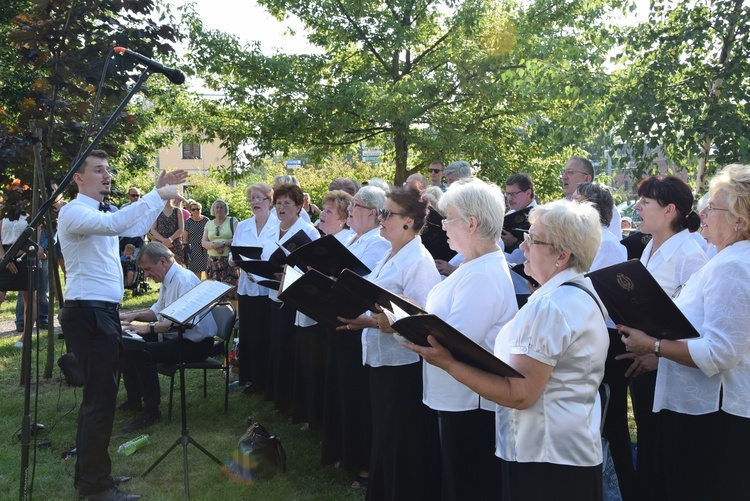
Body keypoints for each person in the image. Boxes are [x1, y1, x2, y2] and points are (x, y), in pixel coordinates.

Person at [409, 199, 608, 501]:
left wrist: (449, 363)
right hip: (568, 449)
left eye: (533, 240)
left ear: (562, 255)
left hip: (545, 456)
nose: (523, 248)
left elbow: (520, 394)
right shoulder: (579, 292)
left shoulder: (551, 306)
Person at [57, 149, 187, 501]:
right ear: (79, 179)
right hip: (89, 313)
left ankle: (92, 477)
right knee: (100, 402)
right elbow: (117, 225)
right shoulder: (73, 212)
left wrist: (156, 195)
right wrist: (157, 195)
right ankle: (96, 488)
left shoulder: (99, 211)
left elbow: (129, 225)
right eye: (98, 170)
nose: (107, 175)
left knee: (97, 400)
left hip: (99, 312)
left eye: (108, 170)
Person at [620, 164, 750, 501]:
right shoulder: (730, 259)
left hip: (711, 415)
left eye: (714, 206)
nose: (703, 212)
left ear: (739, 218)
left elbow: (720, 352)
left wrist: (655, 346)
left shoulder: (734, 265)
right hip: (702, 409)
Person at [337, 187, 442, 501]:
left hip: (403, 366)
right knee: (385, 437)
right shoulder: (389, 251)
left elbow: (422, 320)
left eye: (387, 214)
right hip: (381, 359)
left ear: (408, 221)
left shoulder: (419, 261)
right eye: (380, 212)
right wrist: (364, 317)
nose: (380, 219)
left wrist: (376, 322)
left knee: (402, 440)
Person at [419, 178, 518, 500]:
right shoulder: (472, 266)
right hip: (459, 396)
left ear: (472, 223)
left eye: (449, 218)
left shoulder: (483, 273)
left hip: (472, 401)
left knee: (469, 484)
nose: (443, 226)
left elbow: (456, 340)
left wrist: (402, 324)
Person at [616, 175, 707, 500]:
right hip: (644, 364)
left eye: (645, 202)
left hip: (669, 368)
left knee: (665, 454)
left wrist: (658, 355)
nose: (637, 207)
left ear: (670, 210)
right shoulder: (649, 247)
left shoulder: (691, 255)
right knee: (650, 448)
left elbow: (699, 325)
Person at [322, 186, 391, 487]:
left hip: (359, 324)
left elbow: (364, 284)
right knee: (343, 392)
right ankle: (346, 452)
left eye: (357, 206)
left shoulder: (376, 242)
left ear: (373, 213)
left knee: (356, 396)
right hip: (341, 319)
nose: (350, 210)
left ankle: (363, 464)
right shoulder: (352, 237)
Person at [118, 243, 217, 431]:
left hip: (196, 345)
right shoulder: (168, 278)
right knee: (129, 345)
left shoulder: (184, 280)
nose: (146, 275)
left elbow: (185, 322)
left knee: (143, 353)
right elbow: (158, 310)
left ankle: (151, 412)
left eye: (147, 269)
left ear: (163, 261)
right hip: (177, 337)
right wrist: (132, 316)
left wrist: (149, 328)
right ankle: (134, 400)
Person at [574, 182, 631, 499]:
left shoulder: (608, 244)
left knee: (611, 422)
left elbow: (599, 293)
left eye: (578, 203)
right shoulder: (590, 241)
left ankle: (621, 487)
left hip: (607, 336)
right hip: (591, 334)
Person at [230, 183, 277, 392]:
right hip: (247, 287)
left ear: (270, 201)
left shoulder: (278, 225)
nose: (255, 202)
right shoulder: (243, 225)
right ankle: (251, 379)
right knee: (249, 334)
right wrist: (236, 261)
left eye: (260, 198)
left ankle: (268, 380)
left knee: (266, 334)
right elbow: (233, 253)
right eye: (252, 199)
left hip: (268, 289)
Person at [562, 156, 622, 240]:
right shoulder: (557, 207)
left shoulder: (605, 208)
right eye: (563, 172)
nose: (564, 177)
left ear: (587, 178)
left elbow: (608, 246)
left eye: (570, 172)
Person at [202, 199, 238, 301]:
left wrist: (222, 243)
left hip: (229, 261)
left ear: (226, 209)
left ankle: (233, 314)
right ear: (213, 210)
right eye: (217, 207)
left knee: (231, 290)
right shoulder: (209, 224)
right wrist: (215, 246)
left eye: (222, 207)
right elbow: (203, 242)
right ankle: (217, 313)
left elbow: (237, 238)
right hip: (212, 262)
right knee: (213, 291)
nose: (219, 209)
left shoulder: (232, 221)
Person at [149, 198, 185, 266]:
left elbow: (181, 229)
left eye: (168, 198)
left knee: (177, 266)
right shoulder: (157, 211)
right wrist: (164, 241)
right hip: (161, 244)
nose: (167, 200)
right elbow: (153, 230)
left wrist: (170, 240)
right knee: (161, 266)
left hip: (175, 243)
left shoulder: (177, 210)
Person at [184, 201, 209, 279]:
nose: (195, 211)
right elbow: (185, 239)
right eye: (193, 209)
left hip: (206, 248)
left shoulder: (206, 220)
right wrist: (187, 252)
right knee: (196, 274)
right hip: (194, 250)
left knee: (208, 271)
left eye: (197, 209)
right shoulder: (188, 222)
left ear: (201, 210)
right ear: (190, 211)